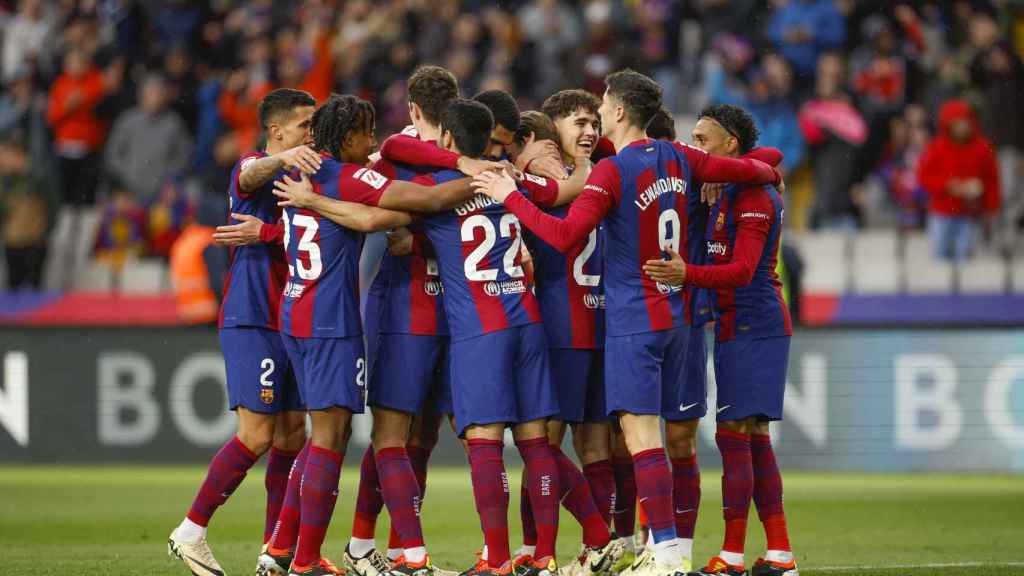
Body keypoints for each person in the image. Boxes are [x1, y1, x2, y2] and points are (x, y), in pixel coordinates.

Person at [472, 69, 781, 576]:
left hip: (634, 322)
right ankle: (672, 552)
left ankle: (661, 555)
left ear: (617, 112)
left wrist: (510, 196)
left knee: (642, 441)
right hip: (680, 317)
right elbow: (750, 168)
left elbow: (566, 233)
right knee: (666, 441)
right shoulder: (681, 157)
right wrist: (770, 171)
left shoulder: (611, 173)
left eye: (604, 103)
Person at [267, 93, 484, 576]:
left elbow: (360, 217)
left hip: (297, 313)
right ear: (346, 138)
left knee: (328, 434)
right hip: (329, 321)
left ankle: (284, 551)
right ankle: (302, 561)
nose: (373, 144)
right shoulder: (343, 175)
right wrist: (488, 178)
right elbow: (425, 199)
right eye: (366, 134)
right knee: (327, 438)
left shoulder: (309, 172)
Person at [167, 88, 320, 576]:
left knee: (293, 435)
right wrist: (281, 159)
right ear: (277, 131)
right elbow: (250, 172)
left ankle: (274, 551)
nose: (311, 135)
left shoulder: (310, 179)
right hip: (252, 316)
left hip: (295, 318)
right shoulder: (255, 167)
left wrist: (269, 233)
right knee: (256, 434)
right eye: (303, 126)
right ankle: (190, 530)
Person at [642, 104, 795, 576]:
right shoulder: (726, 188)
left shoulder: (754, 196)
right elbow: (768, 154)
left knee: (736, 437)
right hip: (734, 325)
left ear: (731, 144)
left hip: (755, 323)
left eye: (704, 138)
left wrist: (687, 274)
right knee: (753, 439)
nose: (696, 146)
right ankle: (779, 553)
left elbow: (744, 269)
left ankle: (733, 555)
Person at [517, 91, 620, 576]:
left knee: (545, 444)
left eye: (595, 122)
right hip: (585, 325)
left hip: (570, 328)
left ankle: (539, 550)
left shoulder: (546, 179)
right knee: (582, 447)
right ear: (552, 127)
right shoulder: (601, 175)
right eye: (578, 122)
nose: (590, 131)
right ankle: (591, 546)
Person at [917, 99, 1000, 261]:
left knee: (965, 258)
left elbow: (992, 179)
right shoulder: (936, 147)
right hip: (942, 213)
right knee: (940, 258)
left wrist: (991, 207)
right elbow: (924, 177)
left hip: (970, 214)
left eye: (965, 122)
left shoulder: (983, 148)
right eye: (957, 123)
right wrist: (948, 186)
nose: (962, 127)